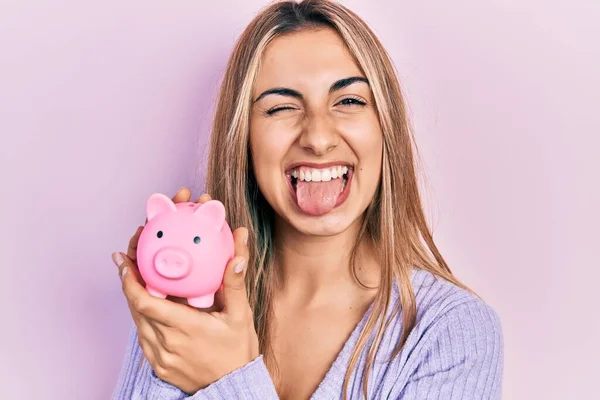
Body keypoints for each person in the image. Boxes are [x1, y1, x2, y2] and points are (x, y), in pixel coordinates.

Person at [110, 0, 503, 399]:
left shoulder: (451, 333)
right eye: (281, 107)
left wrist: (226, 380)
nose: (317, 138)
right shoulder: (187, 305)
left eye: (349, 102)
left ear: (386, 127)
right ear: (244, 138)